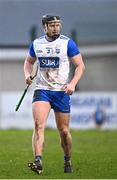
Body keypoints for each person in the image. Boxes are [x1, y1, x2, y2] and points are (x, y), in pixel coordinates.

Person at [24, 14, 85, 174]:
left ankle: (67, 160)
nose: (55, 27)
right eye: (52, 25)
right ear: (44, 27)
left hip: (61, 92)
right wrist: (27, 75)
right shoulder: (37, 44)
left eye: (58, 25)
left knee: (64, 131)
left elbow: (80, 66)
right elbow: (28, 62)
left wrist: (72, 83)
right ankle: (38, 161)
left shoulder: (67, 43)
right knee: (38, 126)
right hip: (42, 90)